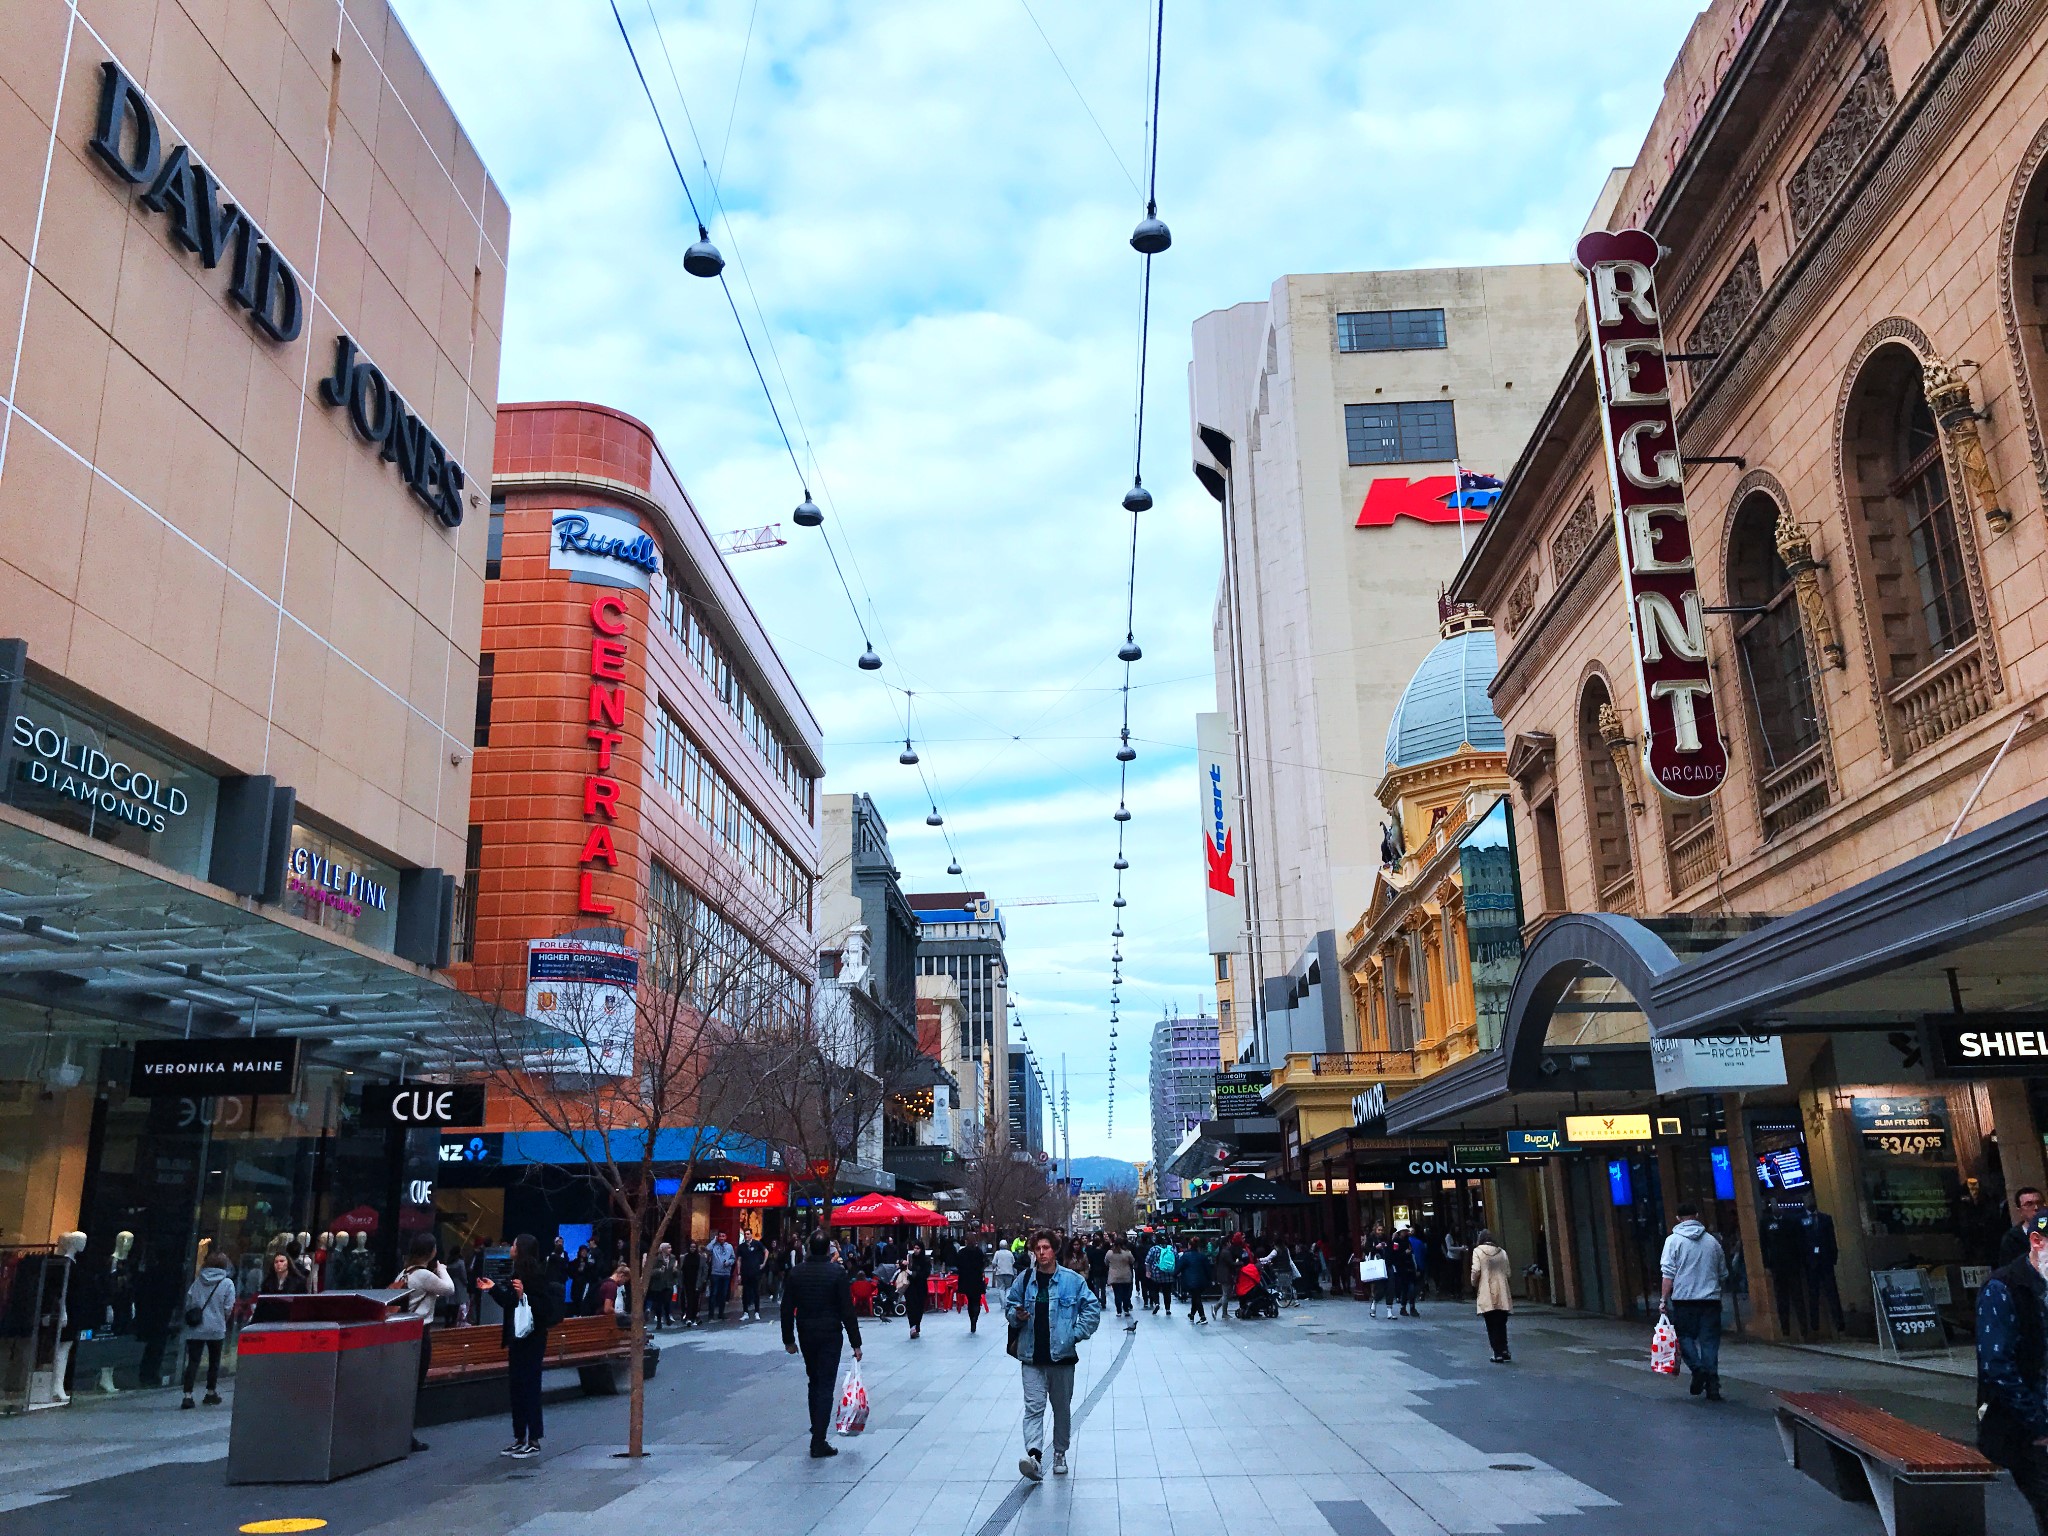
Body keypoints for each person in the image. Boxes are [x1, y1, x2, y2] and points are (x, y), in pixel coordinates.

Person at [1008, 1230, 1101, 1481]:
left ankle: (1059, 1452)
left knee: (1061, 1408)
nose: (1042, 1253)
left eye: (1046, 1248)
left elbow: (1092, 1308)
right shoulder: (1025, 1279)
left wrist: (1074, 1334)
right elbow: (1009, 1304)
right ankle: (1035, 1457)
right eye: (1037, 1248)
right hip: (1031, 1356)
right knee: (1033, 1408)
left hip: (1061, 1357)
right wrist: (1016, 1315)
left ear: (1055, 1250)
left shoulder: (1072, 1280)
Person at [1978, 1209, 2048, 1530]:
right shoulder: (2003, 1288)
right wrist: (2038, 1426)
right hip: (2031, 1429)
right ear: (2037, 1242)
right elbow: (1998, 1366)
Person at [477, 1233, 560, 1458]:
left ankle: (533, 1438)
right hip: (518, 1338)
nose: (511, 1247)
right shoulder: (519, 1272)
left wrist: (525, 1296)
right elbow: (509, 1303)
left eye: (514, 1244)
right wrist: (492, 1288)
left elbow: (543, 1308)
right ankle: (519, 1437)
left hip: (532, 1338)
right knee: (517, 1387)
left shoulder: (536, 1275)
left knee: (529, 1386)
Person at [782, 1232, 864, 1458]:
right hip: (830, 1333)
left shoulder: (796, 1273)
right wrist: (856, 1343)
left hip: (806, 1332)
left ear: (808, 1248)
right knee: (826, 1384)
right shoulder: (836, 1273)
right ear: (828, 1251)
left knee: (814, 1380)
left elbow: (786, 1308)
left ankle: (816, 1426)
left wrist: (788, 1338)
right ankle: (819, 1438)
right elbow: (847, 1310)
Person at [1659, 1203, 1729, 1400]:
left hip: (1684, 1300)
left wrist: (1663, 1299)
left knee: (1685, 1337)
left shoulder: (1672, 1241)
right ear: (1697, 1215)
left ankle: (1698, 1369)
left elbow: (1668, 1274)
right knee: (1709, 1342)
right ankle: (1712, 1385)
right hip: (1710, 1300)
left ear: (1678, 1218)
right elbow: (1722, 1272)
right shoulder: (1712, 1242)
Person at [393, 1232, 455, 1452]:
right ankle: (406, 1435)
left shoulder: (405, 1273)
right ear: (431, 1252)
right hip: (420, 1332)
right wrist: (443, 1271)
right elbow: (449, 1289)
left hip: (405, 1331)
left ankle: (399, 1433)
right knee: (416, 1384)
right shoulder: (424, 1275)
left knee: (405, 1383)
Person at [179, 1251, 237, 1409]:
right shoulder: (227, 1283)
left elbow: (189, 1302)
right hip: (216, 1327)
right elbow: (228, 1307)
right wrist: (222, 1319)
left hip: (196, 1328)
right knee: (214, 1361)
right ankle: (210, 1392)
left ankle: (187, 1395)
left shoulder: (198, 1281)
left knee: (193, 1361)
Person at [1469, 1229, 1513, 1364]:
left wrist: (1473, 1282)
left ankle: (1497, 1352)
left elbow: (1476, 1270)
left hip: (1486, 1289)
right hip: (1502, 1291)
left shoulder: (1478, 1252)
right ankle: (1504, 1349)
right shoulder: (1502, 1252)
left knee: (1491, 1323)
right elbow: (1508, 1272)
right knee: (1501, 1322)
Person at [1998, 1188, 2047, 1267]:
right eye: (2029, 1204)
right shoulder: (2012, 1238)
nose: (2036, 1208)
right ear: (2020, 1211)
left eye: (2039, 1203)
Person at [956, 1235, 988, 1333]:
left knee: (970, 1301)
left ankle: (972, 1320)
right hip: (977, 1279)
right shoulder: (978, 1252)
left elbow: (958, 1265)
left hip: (966, 1280)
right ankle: (975, 1319)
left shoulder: (962, 1252)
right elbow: (984, 1263)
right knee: (976, 1301)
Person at [904, 1239, 932, 1339]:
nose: (915, 1250)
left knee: (919, 1308)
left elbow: (926, 1273)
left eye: (917, 1248)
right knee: (911, 1308)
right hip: (910, 1287)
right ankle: (912, 1327)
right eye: (914, 1248)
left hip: (921, 1287)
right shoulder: (910, 1258)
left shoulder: (925, 1260)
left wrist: (914, 1274)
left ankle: (916, 1326)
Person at [1177, 1239, 1210, 1324]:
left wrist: (1173, 1274)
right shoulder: (1202, 1256)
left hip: (1190, 1281)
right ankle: (1192, 1315)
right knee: (1196, 1297)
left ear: (1190, 1245)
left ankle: (1203, 1317)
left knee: (1196, 1298)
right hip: (1201, 1280)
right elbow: (1208, 1269)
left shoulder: (1185, 1256)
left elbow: (1179, 1267)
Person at [1106, 1238, 1137, 1326]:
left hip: (1114, 1276)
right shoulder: (1127, 1253)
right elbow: (1132, 1261)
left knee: (1117, 1294)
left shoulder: (1109, 1253)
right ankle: (1126, 1309)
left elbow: (1106, 1262)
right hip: (1126, 1276)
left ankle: (1119, 1310)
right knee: (1125, 1294)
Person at [706, 1232, 736, 1320]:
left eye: (723, 1236)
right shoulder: (714, 1246)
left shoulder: (729, 1247)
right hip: (715, 1273)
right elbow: (707, 1248)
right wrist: (714, 1240)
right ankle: (711, 1315)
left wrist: (729, 1262)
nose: (721, 1238)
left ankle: (721, 1313)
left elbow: (733, 1258)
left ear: (726, 1237)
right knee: (714, 1293)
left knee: (723, 1294)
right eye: (720, 1236)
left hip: (726, 1273)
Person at [648, 1243, 677, 1330]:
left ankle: (667, 1317)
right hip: (658, 1285)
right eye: (668, 1248)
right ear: (663, 1249)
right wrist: (659, 1271)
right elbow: (651, 1272)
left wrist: (675, 1270)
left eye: (670, 1247)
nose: (670, 1249)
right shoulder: (657, 1258)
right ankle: (659, 1321)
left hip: (668, 1284)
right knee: (658, 1304)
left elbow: (675, 1271)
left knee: (667, 1302)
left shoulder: (672, 1257)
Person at [1390, 1227, 1418, 1317]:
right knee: (1405, 1288)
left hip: (1409, 1267)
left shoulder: (1407, 1241)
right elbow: (1395, 1255)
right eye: (1404, 1231)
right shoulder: (1396, 1242)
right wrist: (1404, 1253)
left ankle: (1411, 1307)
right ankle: (1404, 1307)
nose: (1406, 1233)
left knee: (1411, 1288)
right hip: (1401, 1268)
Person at [739, 1234, 767, 1321]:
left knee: (756, 1292)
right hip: (745, 1272)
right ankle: (745, 1312)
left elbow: (766, 1251)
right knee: (745, 1293)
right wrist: (739, 1273)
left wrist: (763, 1263)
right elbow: (739, 1260)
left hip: (755, 1272)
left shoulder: (757, 1244)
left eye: (748, 1234)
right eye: (745, 1234)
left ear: (751, 1235)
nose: (746, 1236)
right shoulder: (741, 1247)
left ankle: (757, 1311)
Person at [679, 1241, 703, 1328]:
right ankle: (688, 1317)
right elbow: (681, 1270)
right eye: (691, 1247)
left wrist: (702, 1280)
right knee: (689, 1300)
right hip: (687, 1281)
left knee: (696, 1300)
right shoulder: (684, 1257)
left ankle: (694, 1317)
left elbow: (704, 1270)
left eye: (694, 1247)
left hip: (696, 1281)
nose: (692, 1249)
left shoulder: (700, 1258)